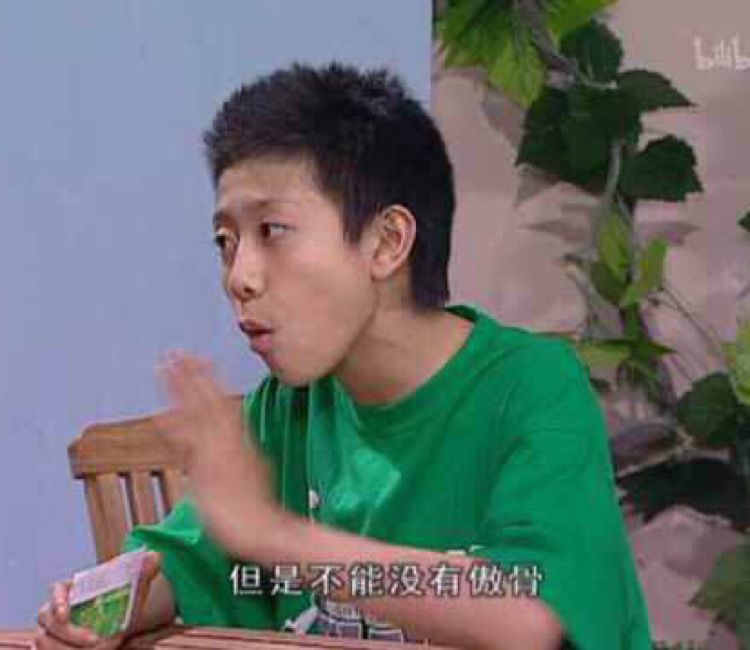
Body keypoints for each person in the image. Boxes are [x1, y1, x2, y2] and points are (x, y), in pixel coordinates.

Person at [35, 62, 653, 650]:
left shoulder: (533, 385)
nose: (239, 276)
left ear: (387, 243)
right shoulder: (287, 409)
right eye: (226, 240)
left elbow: (530, 617)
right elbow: (180, 568)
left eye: (272, 231)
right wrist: (96, 608)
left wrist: (275, 536)